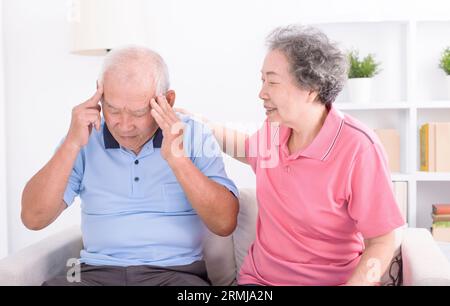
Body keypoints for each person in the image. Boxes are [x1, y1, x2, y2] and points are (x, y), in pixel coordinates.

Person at [178, 25, 405, 286]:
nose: (261, 93)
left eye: (272, 82)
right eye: (262, 80)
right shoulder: (275, 130)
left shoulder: (358, 148)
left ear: (311, 89)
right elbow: (248, 149)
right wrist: (201, 124)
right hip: (259, 282)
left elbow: (383, 239)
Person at [21, 46, 239, 286]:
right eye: (112, 109)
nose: (124, 126)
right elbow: (33, 218)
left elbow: (224, 223)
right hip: (93, 273)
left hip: (175, 275)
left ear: (167, 101)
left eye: (137, 113)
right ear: (99, 94)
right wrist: (71, 144)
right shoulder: (83, 137)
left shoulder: (194, 135)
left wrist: (178, 161)